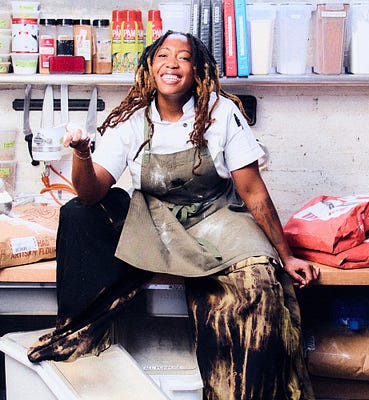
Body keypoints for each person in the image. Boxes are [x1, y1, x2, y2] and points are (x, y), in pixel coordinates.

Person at [27, 30, 319, 400]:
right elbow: (90, 194)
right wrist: (82, 153)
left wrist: (286, 255)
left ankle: (242, 391)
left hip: (216, 216)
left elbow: (253, 191)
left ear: (197, 70)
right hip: (156, 222)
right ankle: (77, 334)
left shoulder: (221, 113)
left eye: (183, 57)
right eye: (163, 55)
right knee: (78, 213)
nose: (172, 64)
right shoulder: (131, 119)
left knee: (259, 283)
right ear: (150, 66)